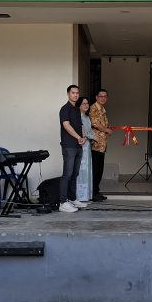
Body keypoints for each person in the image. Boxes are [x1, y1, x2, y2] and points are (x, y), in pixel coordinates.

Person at [58, 85, 89, 213]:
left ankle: (72, 199)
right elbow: (66, 125)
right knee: (67, 174)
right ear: (68, 94)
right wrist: (78, 137)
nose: (75, 95)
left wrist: (84, 137)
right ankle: (62, 202)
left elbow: (80, 126)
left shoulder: (76, 109)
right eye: (73, 93)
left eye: (77, 93)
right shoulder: (65, 109)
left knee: (75, 174)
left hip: (78, 146)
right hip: (69, 146)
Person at [89, 89, 113, 202]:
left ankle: (96, 191)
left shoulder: (102, 109)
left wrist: (106, 130)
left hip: (102, 145)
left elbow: (103, 124)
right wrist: (106, 130)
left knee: (99, 169)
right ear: (96, 97)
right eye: (101, 96)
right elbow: (95, 123)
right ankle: (93, 193)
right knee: (95, 169)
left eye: (105, 96)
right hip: (95, 144)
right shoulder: (93, 108)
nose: (103, 98)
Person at [75, 97, 94, 202]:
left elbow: (89, 132)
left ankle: (86, 196)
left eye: (87, 103)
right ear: (79, 105)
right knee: (80, 169)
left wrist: (89, 136)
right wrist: (89, 136)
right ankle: (79, 196)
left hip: (87, 145)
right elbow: (82, 133)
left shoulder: (87, 117)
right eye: (83, 103)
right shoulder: (77, 117)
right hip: (81, 145)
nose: (86, 105)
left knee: (87, 169)